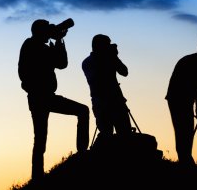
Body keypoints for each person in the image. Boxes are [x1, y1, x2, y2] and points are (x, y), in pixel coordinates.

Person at [18, 18, 89, 182]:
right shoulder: (30, 45)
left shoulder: (43, 47)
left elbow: (62, 64)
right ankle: (37, 178)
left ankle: (82, 153)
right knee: (40, 139)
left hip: (48, 96)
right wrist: (55, 39)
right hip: (38, 97)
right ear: (40, 31)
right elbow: (24, 72)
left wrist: (59, 40)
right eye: (46, 30)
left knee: (82, 111)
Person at [165, 38, 197, 168]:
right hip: (181, 99)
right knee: (186, 130)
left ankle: (185, 159)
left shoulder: (187, 59)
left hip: (174, 98)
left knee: (182, 130)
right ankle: (186, 161)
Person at [82, 34, 132, 142]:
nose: (108, 47)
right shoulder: (88, 62)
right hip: (102, 102)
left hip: (115, 101)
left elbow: (124, 72)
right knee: (106, 135)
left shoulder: (108, 58)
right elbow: (98, 79)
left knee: (125, 134)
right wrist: (111, 58)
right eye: (106, 45)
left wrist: (114, 57)